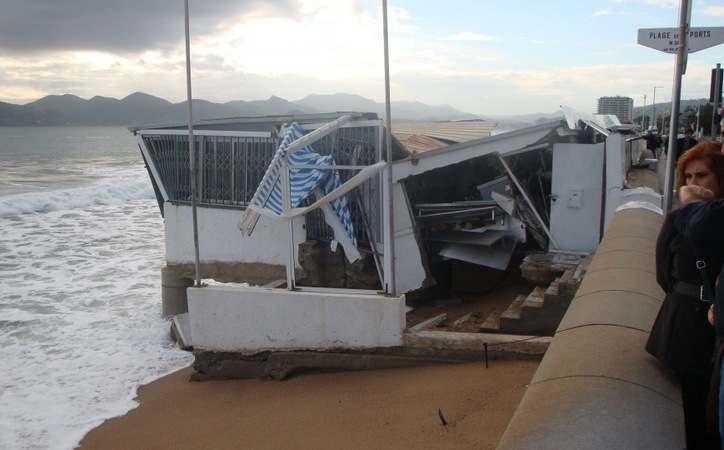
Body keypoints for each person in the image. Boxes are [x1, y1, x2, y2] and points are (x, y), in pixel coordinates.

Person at [646, 141, 724, 449]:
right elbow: (664, 275)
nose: (693, 185)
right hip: (686, 326)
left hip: (709, 327)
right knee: (694, 408)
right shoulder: (677, 219)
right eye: (688, 177)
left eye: (702, 176)